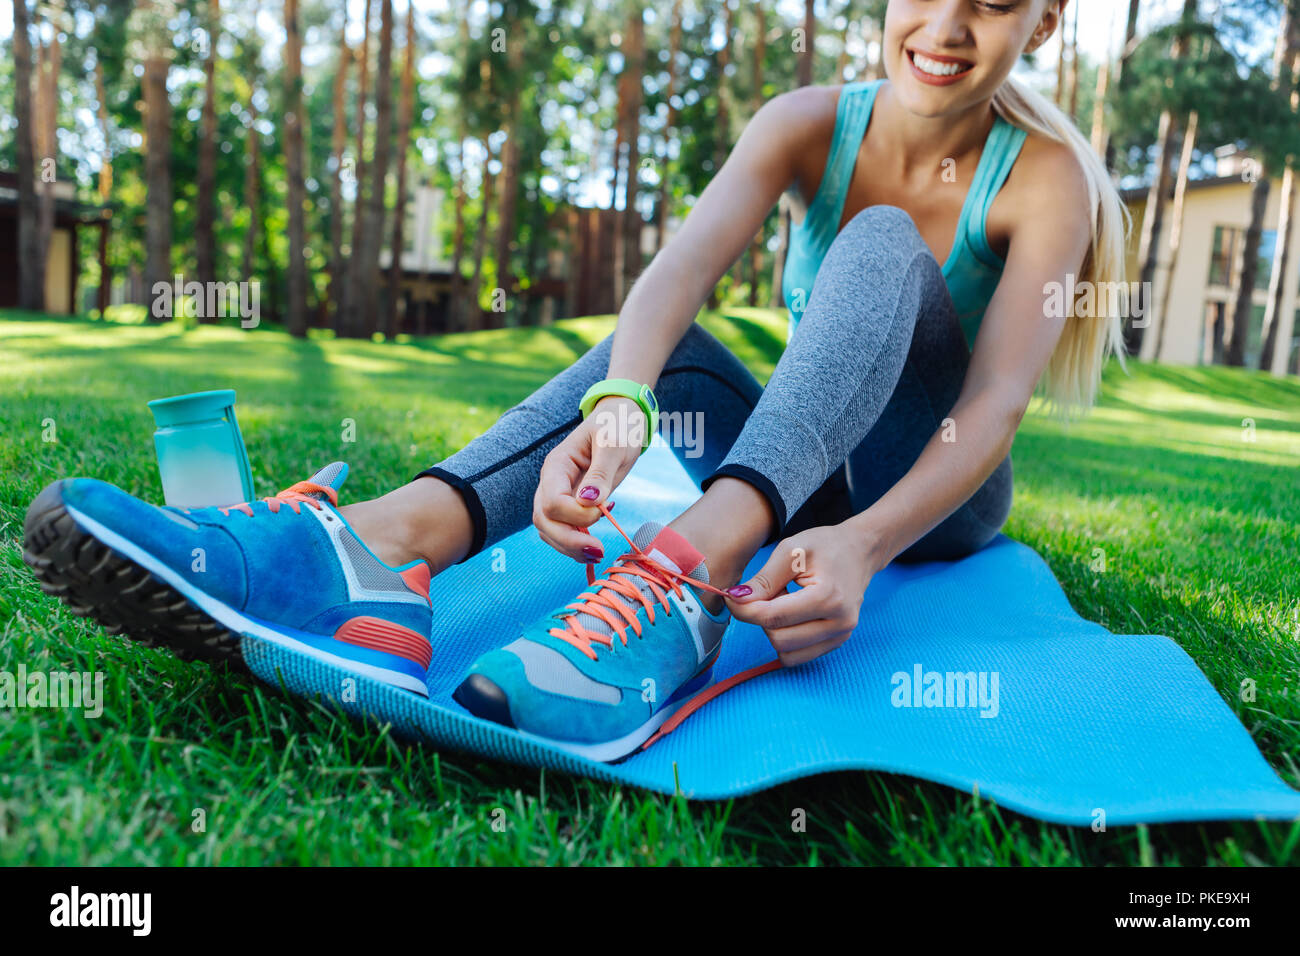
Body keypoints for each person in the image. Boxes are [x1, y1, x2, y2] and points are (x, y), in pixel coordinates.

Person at [24, 0, 1126, 762]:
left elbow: (990, 407)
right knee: (662, 364)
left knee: (883, 241)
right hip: (800, 458)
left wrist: (866, 543)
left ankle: (688, 579)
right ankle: (381, 550)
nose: (944, 28)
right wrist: (619, 407)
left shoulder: (1042, 177)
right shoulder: (805, 124)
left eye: (990, 3)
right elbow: (677, 278)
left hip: (928, 494)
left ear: (1044, 21)